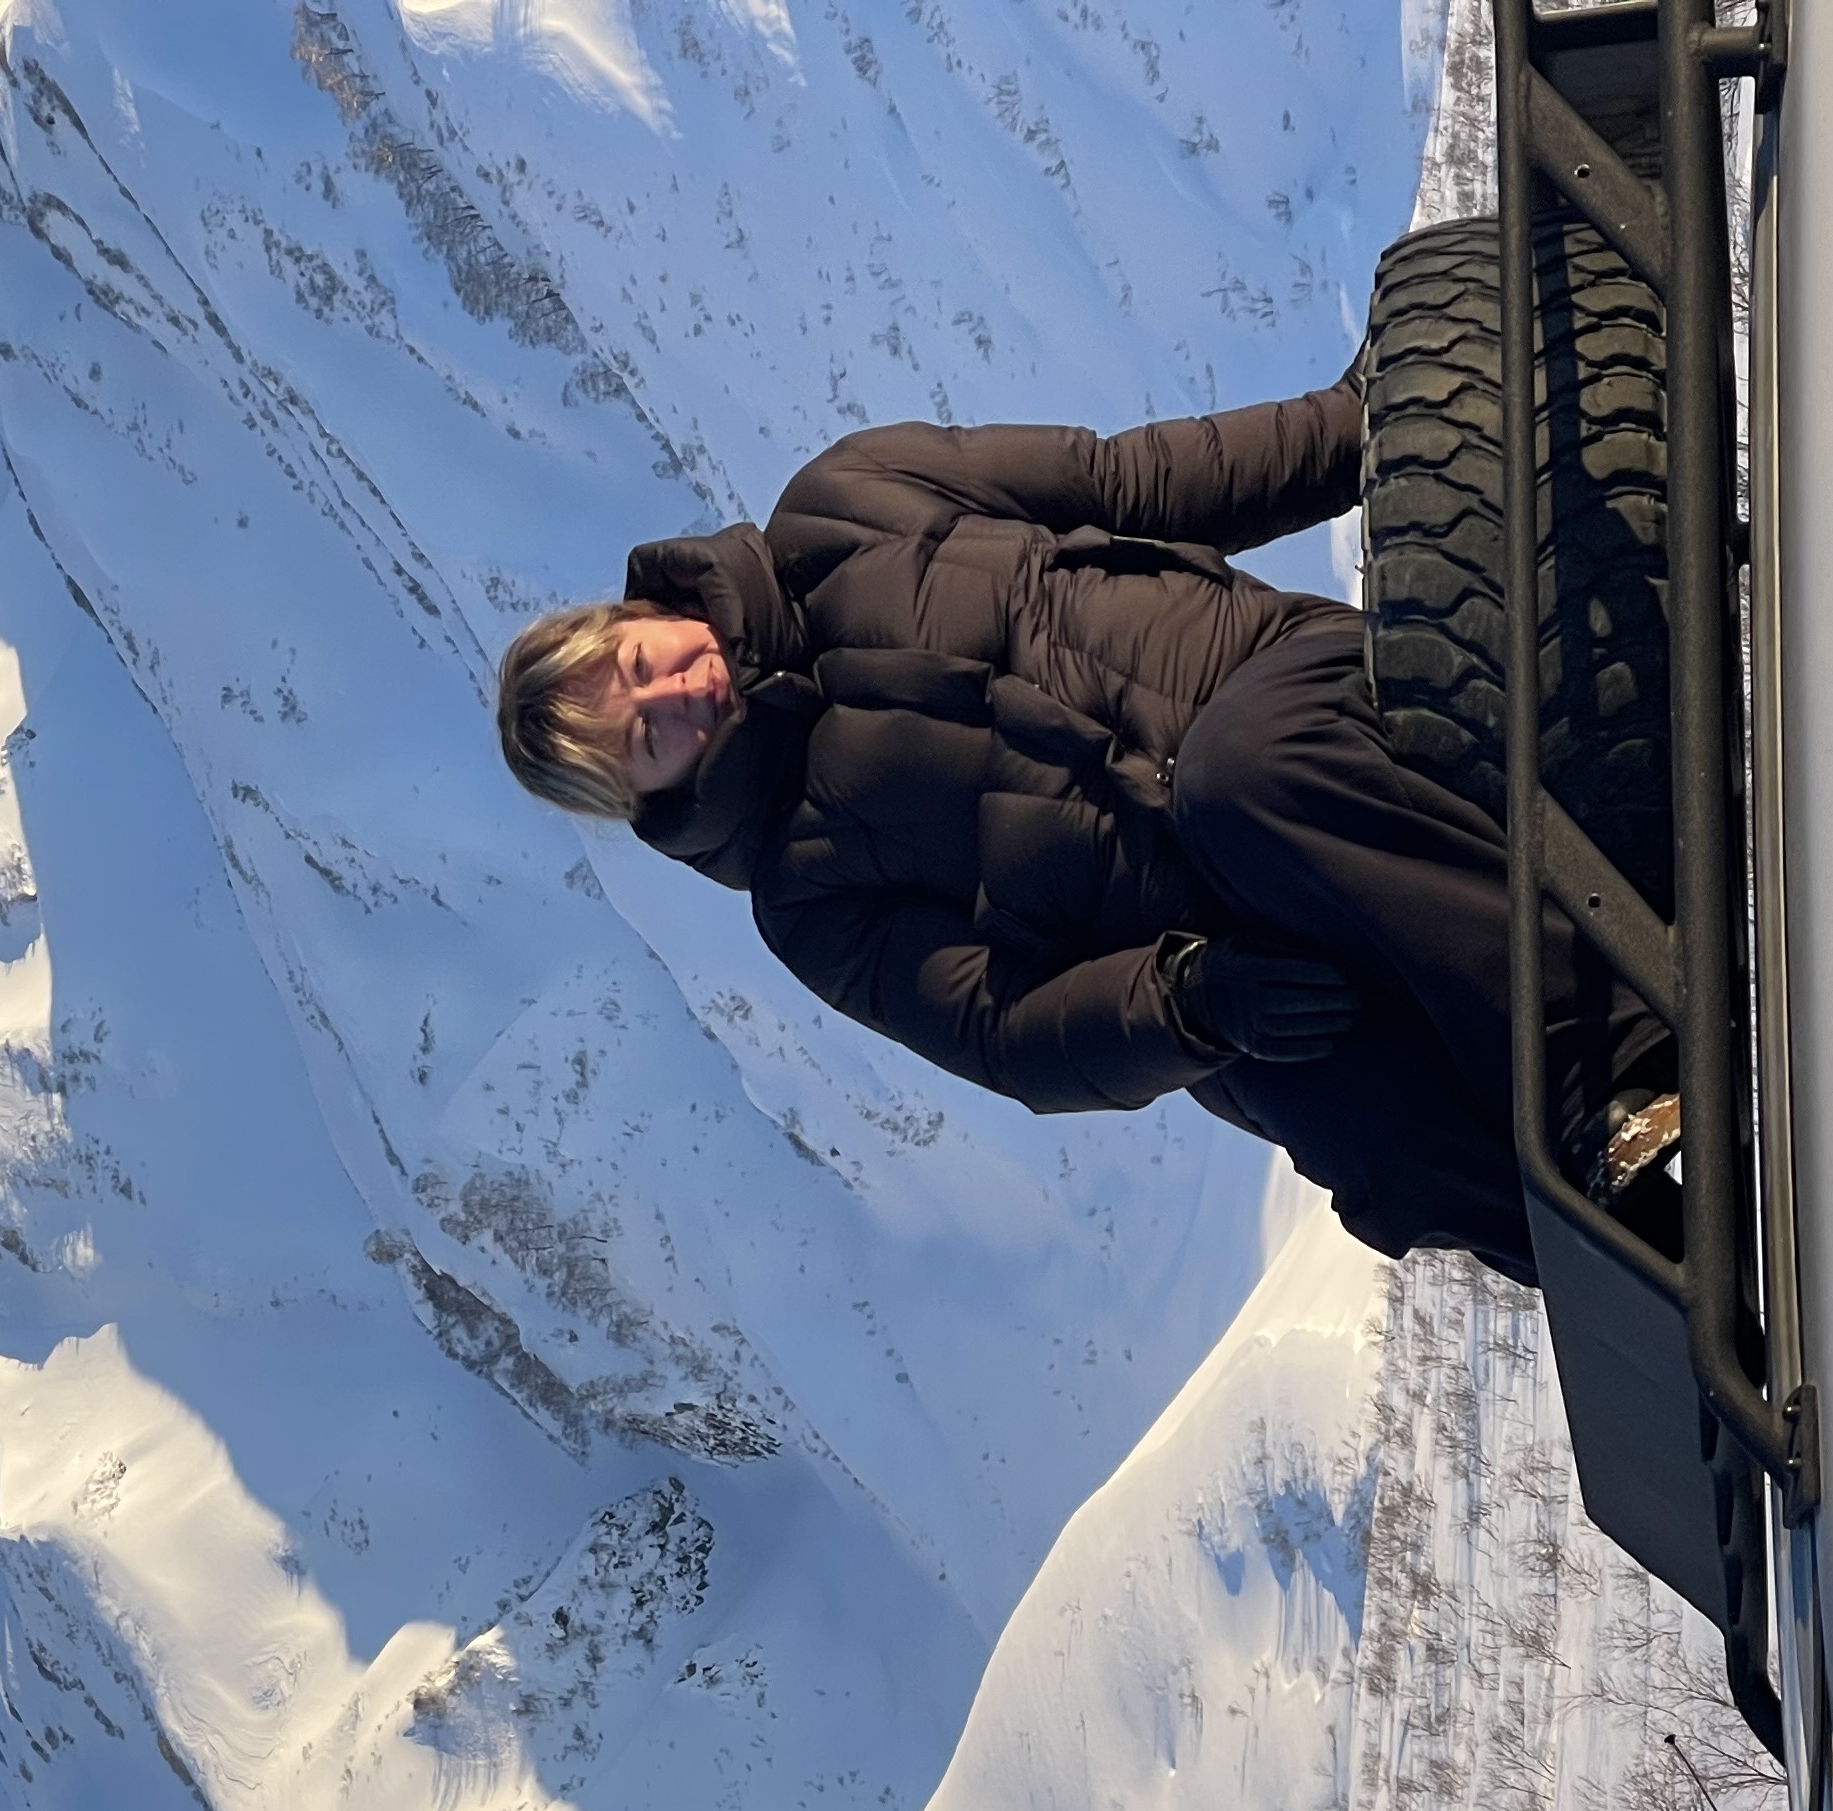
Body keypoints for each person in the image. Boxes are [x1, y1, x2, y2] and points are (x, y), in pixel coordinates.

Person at [493, 380, 1675, 1281]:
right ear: (647, 792)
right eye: (648, 736)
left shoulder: (848, 499)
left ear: (638, 616)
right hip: (1221, 947)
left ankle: (1626, 1076)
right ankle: (1677, 1281)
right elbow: (1001, 1027)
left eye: (642, 666)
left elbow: (1136, 483)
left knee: (1242, 778)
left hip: (1272, 696)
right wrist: (1194, 1003)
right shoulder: (807, 901)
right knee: (1357, 1133)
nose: (676, 695)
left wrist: (1376, 414)